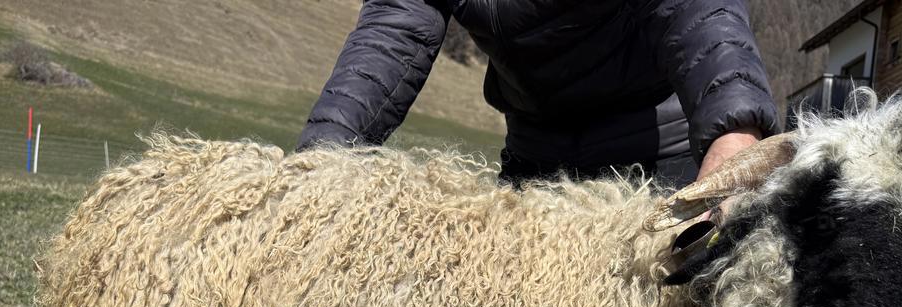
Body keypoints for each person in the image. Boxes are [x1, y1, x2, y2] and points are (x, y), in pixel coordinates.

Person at [298, 0, 777, 189]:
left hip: (656, 165)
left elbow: (700, 14)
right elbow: (394, 34)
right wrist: (319, 163)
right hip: (536, 164)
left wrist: (734, 134)